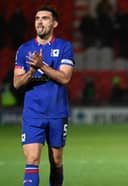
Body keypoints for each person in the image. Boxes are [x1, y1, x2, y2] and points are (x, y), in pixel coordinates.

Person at [13, 5, 74, 186]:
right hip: (33, 113)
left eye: (45, 18)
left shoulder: (64, 46)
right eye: (37, 18)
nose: (39, 21)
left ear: (54, 23)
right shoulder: (24, 49)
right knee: (32, 159)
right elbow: (16, 83)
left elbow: (65, 78)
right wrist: (31, 72)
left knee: (56, 159)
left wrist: (42, 66)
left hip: (57, 112)